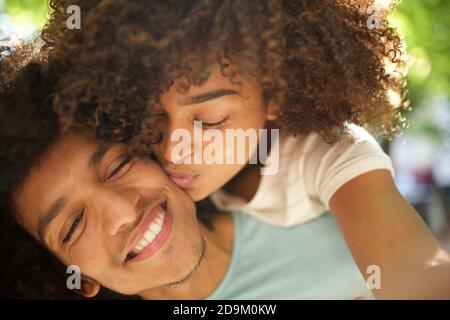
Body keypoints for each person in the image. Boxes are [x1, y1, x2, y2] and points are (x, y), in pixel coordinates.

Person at [41, 0, 450, 298]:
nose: (174, 152)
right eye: (148, 118)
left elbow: (420, 276)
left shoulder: (328, 153)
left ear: (276, 94)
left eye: (212, 120)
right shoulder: (164, 186)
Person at [0, 48, 375, 300]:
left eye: (118, 165)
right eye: (73, 225)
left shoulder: (304, 185)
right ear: (78, 277)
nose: (123, 212)